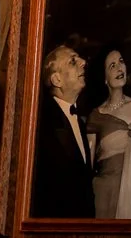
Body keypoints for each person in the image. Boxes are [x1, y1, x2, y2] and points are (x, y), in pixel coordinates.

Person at [87, 48, 131, 220]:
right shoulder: (96, 116)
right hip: (102, 195)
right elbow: (88, 167)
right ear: (104, 78)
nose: (119, 68)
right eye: (112, 66)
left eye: (121, 61)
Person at [33, 41, 94, 218]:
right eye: (73, 61)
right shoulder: (41, 124)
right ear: (56, 79)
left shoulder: (80, 124)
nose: (83, 62)